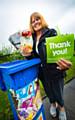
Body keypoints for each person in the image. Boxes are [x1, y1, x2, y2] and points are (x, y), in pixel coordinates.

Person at [21, 12, 72, 120]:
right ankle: (53, 105)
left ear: (42, 20)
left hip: (55, 70)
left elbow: (59, 50)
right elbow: (34, 57)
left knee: (58, 91)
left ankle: (61, 107)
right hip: (43, 73)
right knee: (49, 91)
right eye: (33, 21)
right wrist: (27, 55)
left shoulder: (51, 32)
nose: (35, 22)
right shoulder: (31, 38)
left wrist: (65, 62)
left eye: (37, 19)